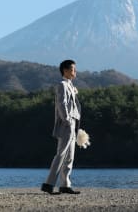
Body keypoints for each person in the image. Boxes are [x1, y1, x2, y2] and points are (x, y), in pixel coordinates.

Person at [41, 60, 82, 195]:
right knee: (61, 154)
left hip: (73, 123)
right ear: (65, 70)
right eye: (72, 69)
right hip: (67, 124)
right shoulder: (62, 85)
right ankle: (48, 184)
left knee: (70, 156)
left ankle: (65, 185)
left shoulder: (70, 85)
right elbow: (61, 104)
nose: (75, 72)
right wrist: (67, 120)